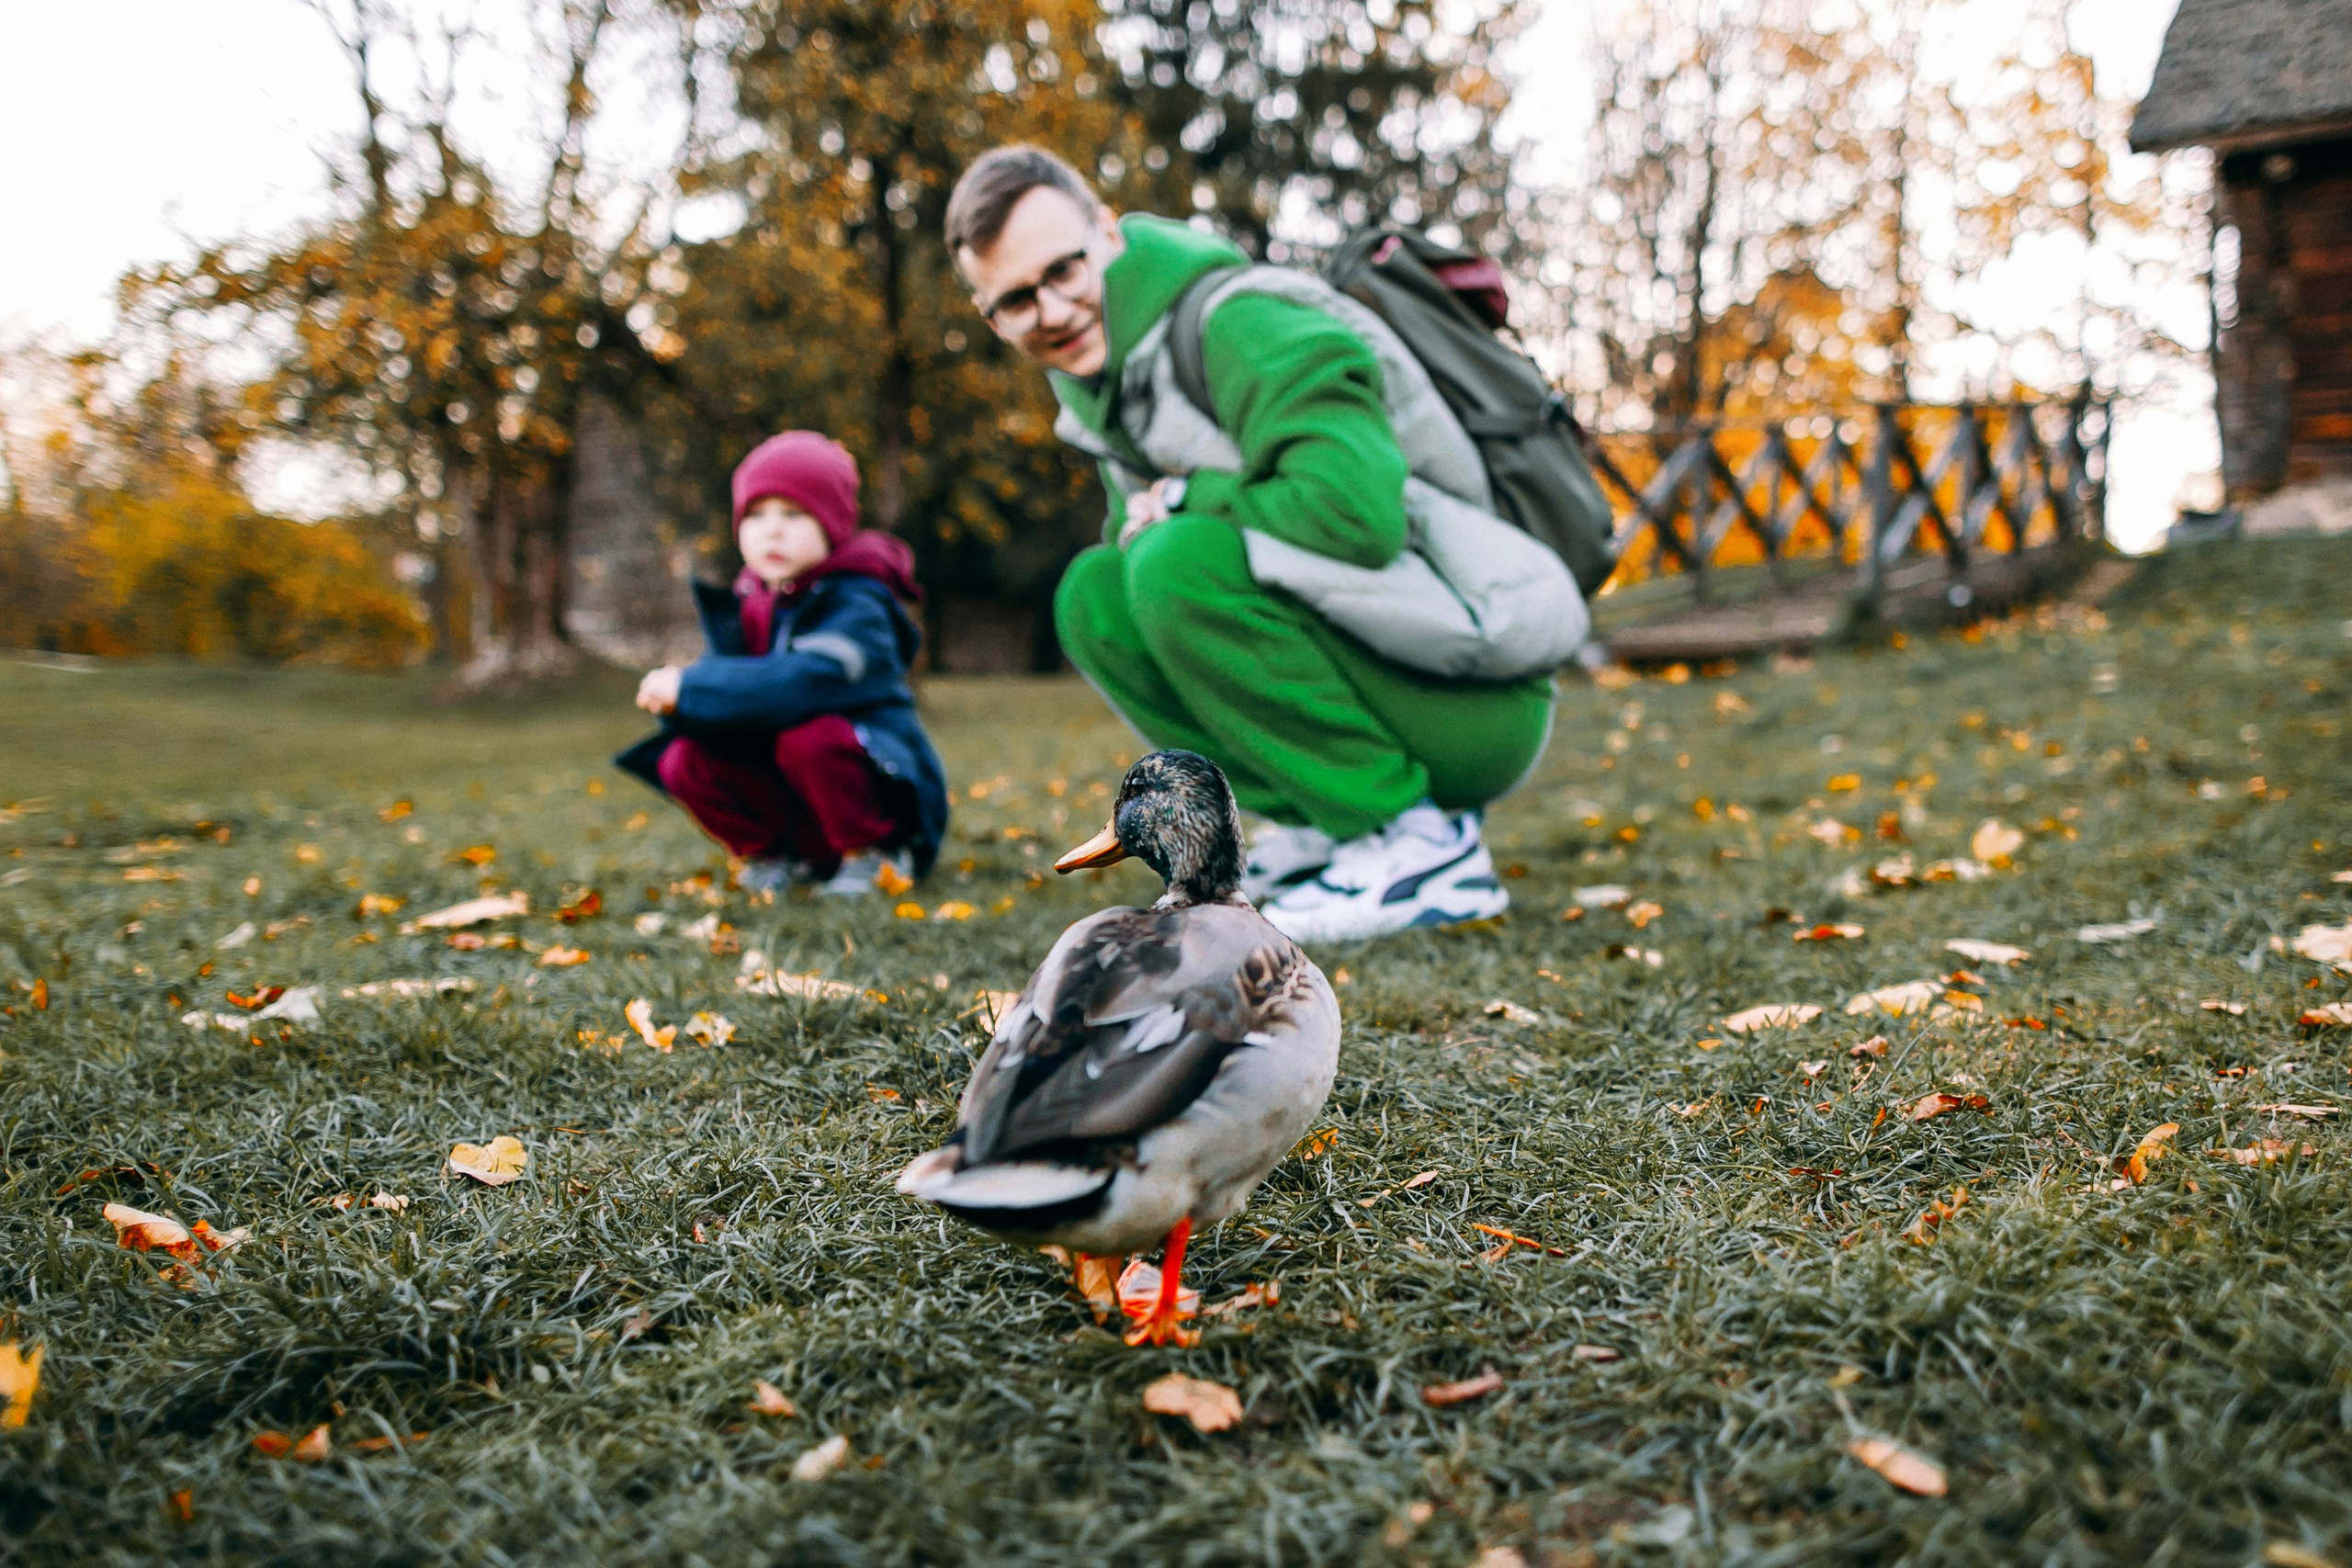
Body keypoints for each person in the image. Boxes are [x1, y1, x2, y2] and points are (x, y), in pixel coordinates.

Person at [945, 145, 1555, 943]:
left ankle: (1419, 842)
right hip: (1395, 674)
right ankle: (1332, 825)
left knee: (1172, 561)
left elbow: (1358, 517)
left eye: (1062, 272)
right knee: (1097, 593)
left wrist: (1187, 496)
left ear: (1107, 232)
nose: (1049, 312)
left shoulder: (1239, 318)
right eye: (1013, 302)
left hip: (1475, 685)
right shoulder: (1116, 389)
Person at [616, 432, 947, 895]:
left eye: (793, 514)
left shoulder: (857, 601)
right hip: (799, 807)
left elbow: (811, 681)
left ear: (832, 523)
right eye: (755, 515)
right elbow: (735, 697)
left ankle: (876, 855)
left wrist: (695, 687)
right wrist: (685, 704)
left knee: (809, 739)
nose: (772, 530)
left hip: (869, 790)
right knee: (686, 758)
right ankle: (775, 854)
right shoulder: (748, 600)